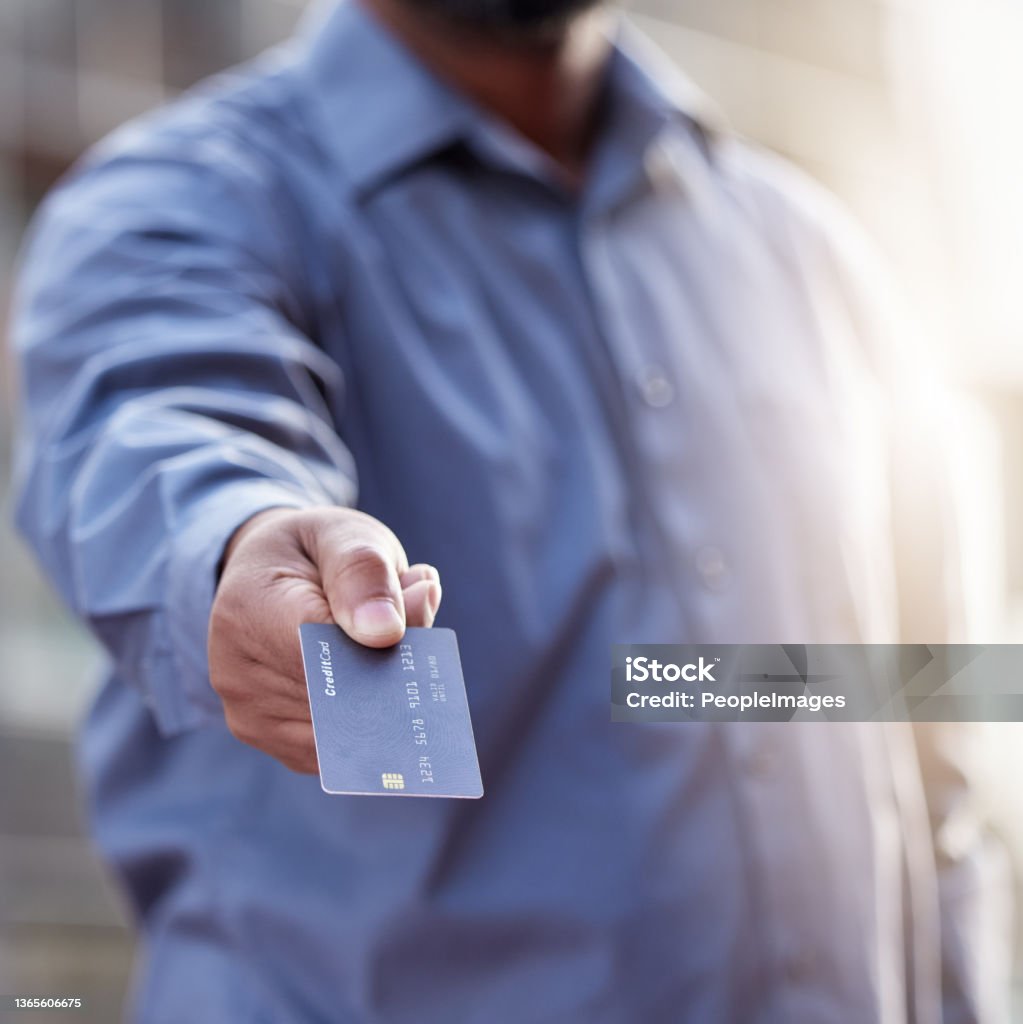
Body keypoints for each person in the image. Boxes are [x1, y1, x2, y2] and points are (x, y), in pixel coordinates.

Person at [10, 0, 1010, 1020]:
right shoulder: (179, 202)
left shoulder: (817, 259)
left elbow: (931, 738)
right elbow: (161, 415)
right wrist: (234, 539)